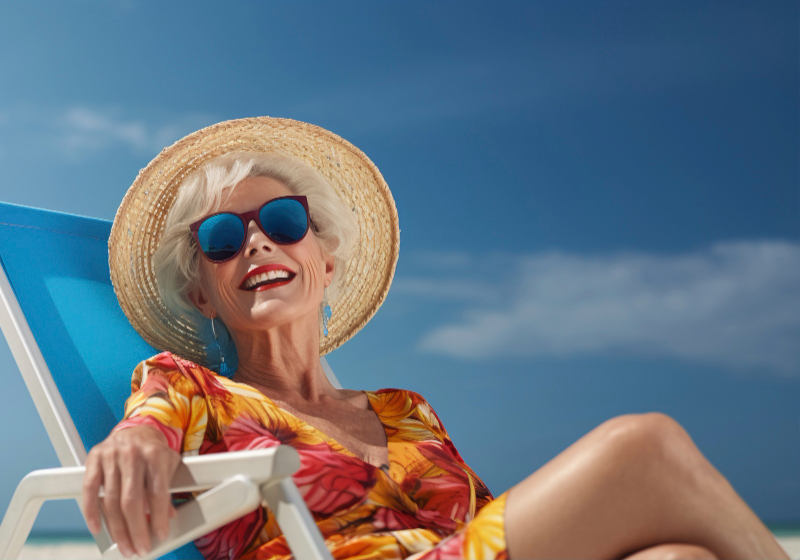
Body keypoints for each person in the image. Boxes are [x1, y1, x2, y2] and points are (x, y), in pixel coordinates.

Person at [82, 118, 788, 560]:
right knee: (645, 445)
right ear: (202, 291)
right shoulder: (188, 383)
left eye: (282, 222)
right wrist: (134, 442)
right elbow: (145, 427)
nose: (257, 241)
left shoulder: (403, 410)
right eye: (223, 238)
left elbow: (488, 526)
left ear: (325, 264)